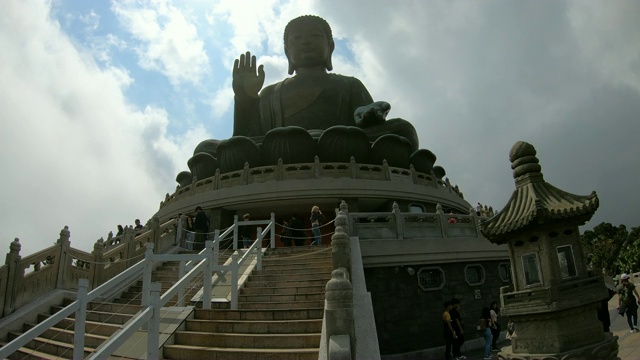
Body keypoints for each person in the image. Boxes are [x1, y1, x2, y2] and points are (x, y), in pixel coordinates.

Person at [231, 15, 418, 151]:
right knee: (207, 149)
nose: (305, 42)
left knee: (403, 130)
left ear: (330, 47)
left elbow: (368, 123)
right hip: (283, 149)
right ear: (287, 52)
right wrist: (244, 99)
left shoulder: (349, 85)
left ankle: (317, 140)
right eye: (296, 38)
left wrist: (368, 116)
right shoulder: (270, 93)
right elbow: (244, 140)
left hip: (340, 145)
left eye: (315, 36)